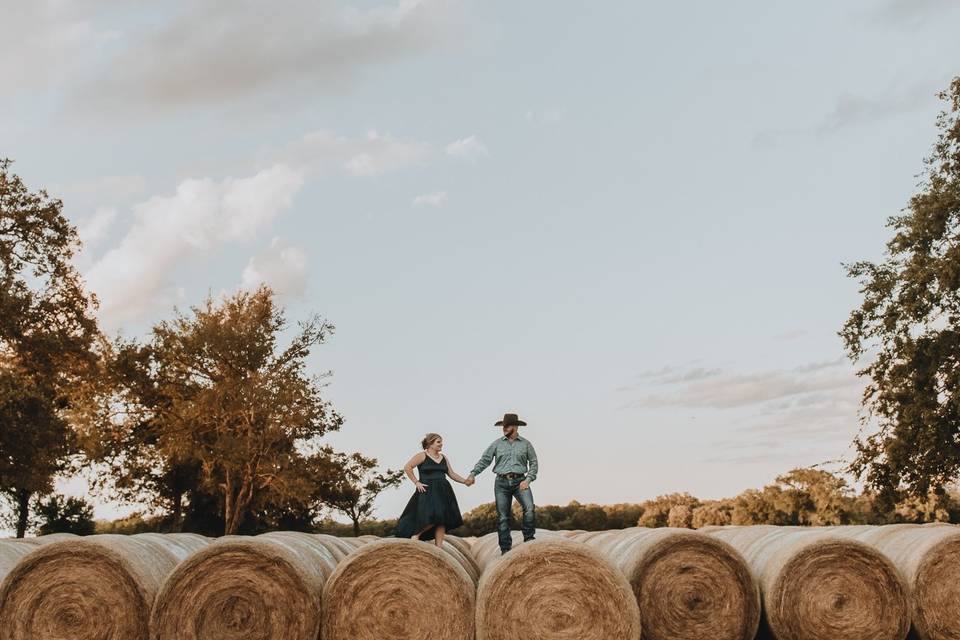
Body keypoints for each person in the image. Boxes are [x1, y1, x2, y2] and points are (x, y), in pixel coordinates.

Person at [466, 412, 538, 555]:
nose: (504, 428)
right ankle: (505, 549)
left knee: (529, 508)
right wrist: (473, 474)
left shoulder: (526, 444)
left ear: (516, 427)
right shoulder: (497, 444)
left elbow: (534, 464)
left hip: (520, 481)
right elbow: (485, 460)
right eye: (503, 426)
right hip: (501, 483)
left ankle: (529, 539)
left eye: (508, 425)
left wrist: (528, 480)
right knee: (503, 517)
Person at [394, 433, 467, 546]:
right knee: (434, 516)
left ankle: (439, 548)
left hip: (443, 490)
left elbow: (451, 474)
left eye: (441, 442)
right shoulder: (422, 456)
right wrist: (416, 482)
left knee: (443, 519)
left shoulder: (444, 457)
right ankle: (416, 535)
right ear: (430, 443)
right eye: (438, 442)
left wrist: (465, 481)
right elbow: (407, 467)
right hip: (427, 490)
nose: (441, 444)